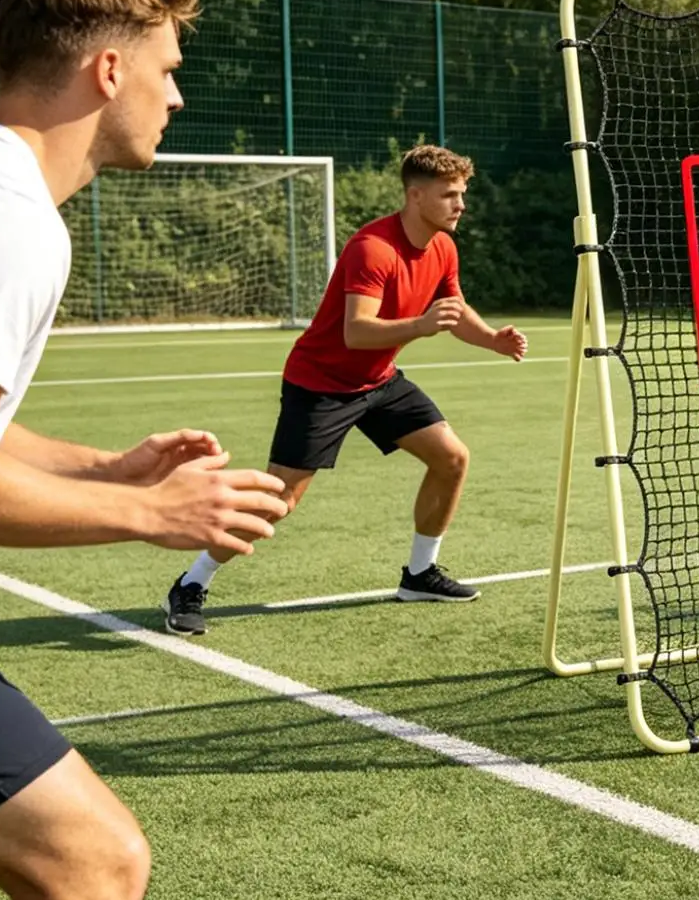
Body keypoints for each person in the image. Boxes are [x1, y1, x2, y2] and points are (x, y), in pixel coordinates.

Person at [0, 0, 290, 900]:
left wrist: (103, 468)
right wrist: (156, 518)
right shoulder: (3, 219)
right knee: (88, 865)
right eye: (169, 64)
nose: (177, 93)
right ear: (107, 70)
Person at [164, 145, 528, 634]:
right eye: (449, 195)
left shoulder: (443, 246)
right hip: (320, 385)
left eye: (462, 194)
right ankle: (191, 583)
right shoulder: (372, 248)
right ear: (415, 196)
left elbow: (454, 309)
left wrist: (491, 339)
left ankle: (420, 574)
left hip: (378, 381)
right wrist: (420, 326)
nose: (460, 204)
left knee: (451, 458)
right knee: (279, 501)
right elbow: (357, 331)